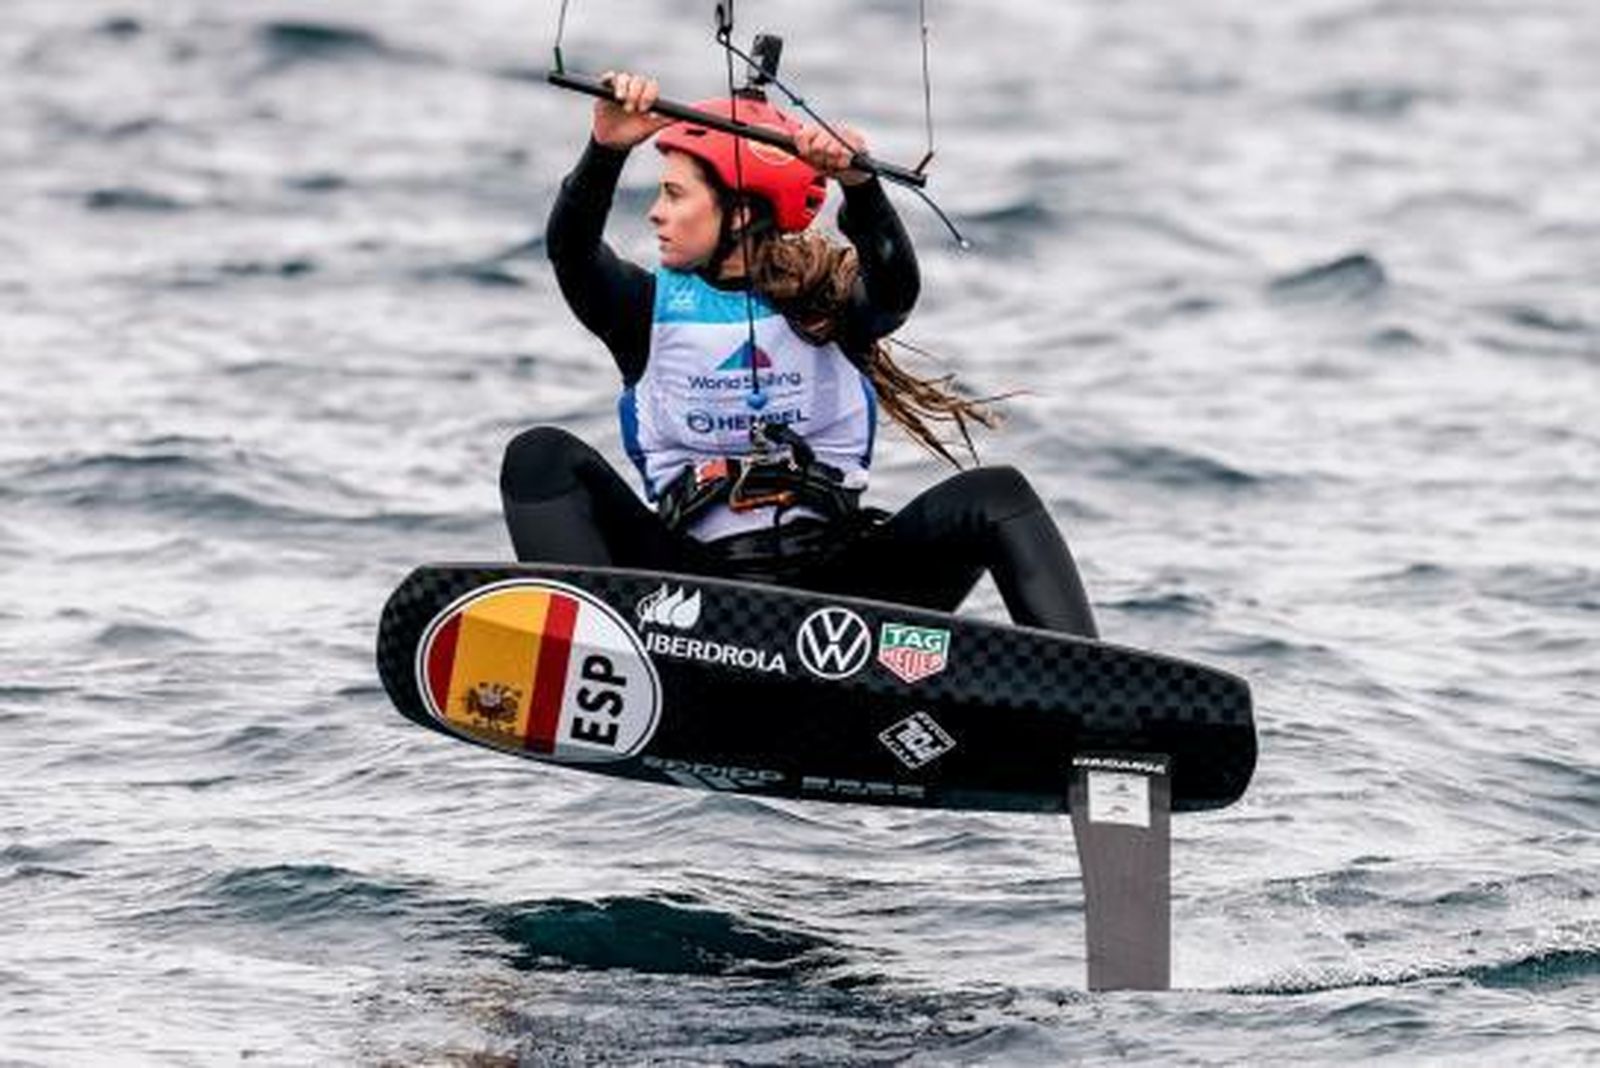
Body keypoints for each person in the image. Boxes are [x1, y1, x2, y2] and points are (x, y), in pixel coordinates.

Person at [502, 71, 1098, 637]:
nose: (656, 212)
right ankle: (594, 654)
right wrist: (605, 149)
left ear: (736, 213)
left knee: (996, 495)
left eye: (674, 195)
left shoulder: (829, 307)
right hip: (689, 595)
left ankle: (1097, 708)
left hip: (844, 602)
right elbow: (572, 252)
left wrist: (860, 188)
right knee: (539, 457)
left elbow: (895, 290)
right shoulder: (640, 309)